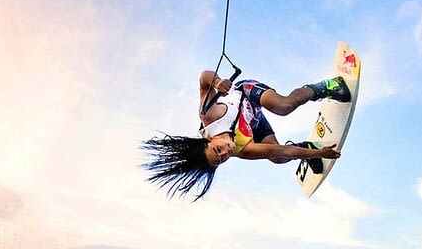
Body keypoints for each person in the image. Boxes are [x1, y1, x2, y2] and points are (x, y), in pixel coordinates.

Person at [142, 70, 351, 200]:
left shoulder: (210, 116)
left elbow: (203, 77)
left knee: (283, 106)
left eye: (218, 150)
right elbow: (281, 150)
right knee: (278, 157)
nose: (226, 152)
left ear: (209, 140)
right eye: (223, 159)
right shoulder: (244, 151)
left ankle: (326, 86)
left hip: (247, 94)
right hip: (254, 122)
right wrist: (315, 154)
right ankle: (308, 146)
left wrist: (217, 82)